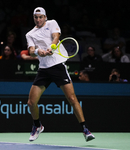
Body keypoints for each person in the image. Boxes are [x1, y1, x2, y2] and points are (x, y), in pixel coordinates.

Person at [25, 7, 95, 142]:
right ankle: (37, 125)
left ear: (45, 17)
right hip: (43, 69)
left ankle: (85, 129)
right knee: (31, 102)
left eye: (40, 17)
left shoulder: (52, 23)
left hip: (58, 67)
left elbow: (56, 37)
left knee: (72, 98)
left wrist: (51, 47)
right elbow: (31, 51)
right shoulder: (30, 34)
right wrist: (38, 51)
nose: (38, 19)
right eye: (36, 17)